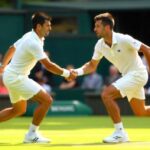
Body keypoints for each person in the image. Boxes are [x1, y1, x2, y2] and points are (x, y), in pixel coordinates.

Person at [71, 12, 150, 143]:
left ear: (107, 27)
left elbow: (147, 49)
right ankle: (120, 133)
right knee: (141, 112)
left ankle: (119, 133)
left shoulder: (124, 39)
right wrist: (77, 72)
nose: (94, 29)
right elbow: (91, 65)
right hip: (128, 76)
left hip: (138, 74)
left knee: (106, 94)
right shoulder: (99, 45)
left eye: (97, 26)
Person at [0, 12, 76, 143]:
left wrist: (2, 65)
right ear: (39, 26)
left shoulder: (30, 35)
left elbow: (12, 48)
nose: (50, 28)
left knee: (18, 110)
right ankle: (31, 135)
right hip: (16, 78)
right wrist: (67, 74)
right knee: (47, 100)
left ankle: (31, 134)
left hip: (11, 76)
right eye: (47, 25)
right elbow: (48, 65)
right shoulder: (32, 42)